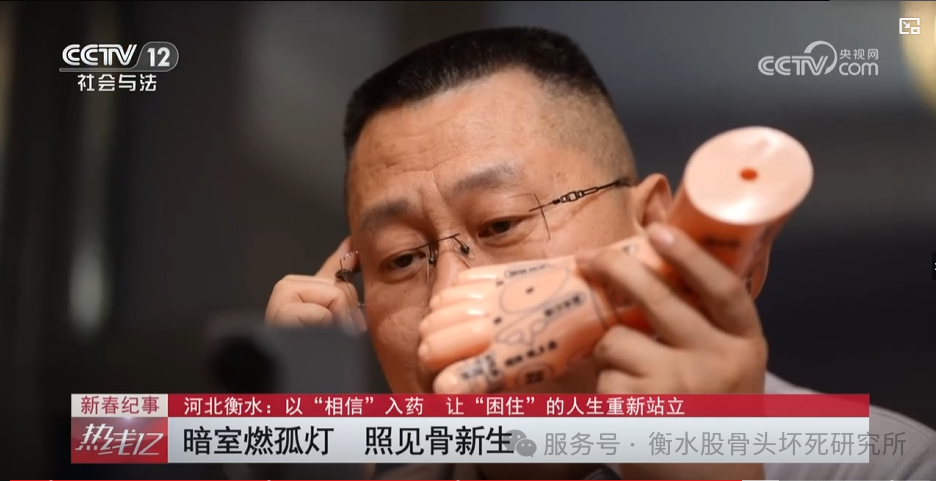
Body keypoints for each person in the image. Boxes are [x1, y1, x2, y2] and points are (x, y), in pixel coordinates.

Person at [265, 27, 935, 480]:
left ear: (651, 227)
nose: (450, 295)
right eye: (403, 258)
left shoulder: (884, 464)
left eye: (502, 223)